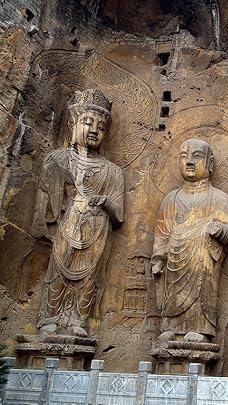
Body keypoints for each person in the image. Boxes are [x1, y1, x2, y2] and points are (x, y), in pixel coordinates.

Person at [31, 88, 124, 337]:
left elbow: (119, 215)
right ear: (73, 125)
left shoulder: (113, 172)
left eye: (101, 127)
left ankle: (78, 320)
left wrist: (106, 203)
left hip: (97, 229)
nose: (94, 130)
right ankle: (49, 317)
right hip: (68, 225)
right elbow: (46, 204)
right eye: (87, 123)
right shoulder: (58, 161)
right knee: (58, 271)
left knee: (90, 276)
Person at [151, 138, 228, 342]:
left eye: (196, 156)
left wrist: (219, 231)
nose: (189, 161)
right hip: (174, 262)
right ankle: (169, 326)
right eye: (184, 156)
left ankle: (201, 329)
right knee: (172, 293)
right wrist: (158, 259)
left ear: (210, 164)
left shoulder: (219, 198)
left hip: (203, 262)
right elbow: (162, 234)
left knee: (202, 286)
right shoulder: (171, 199)